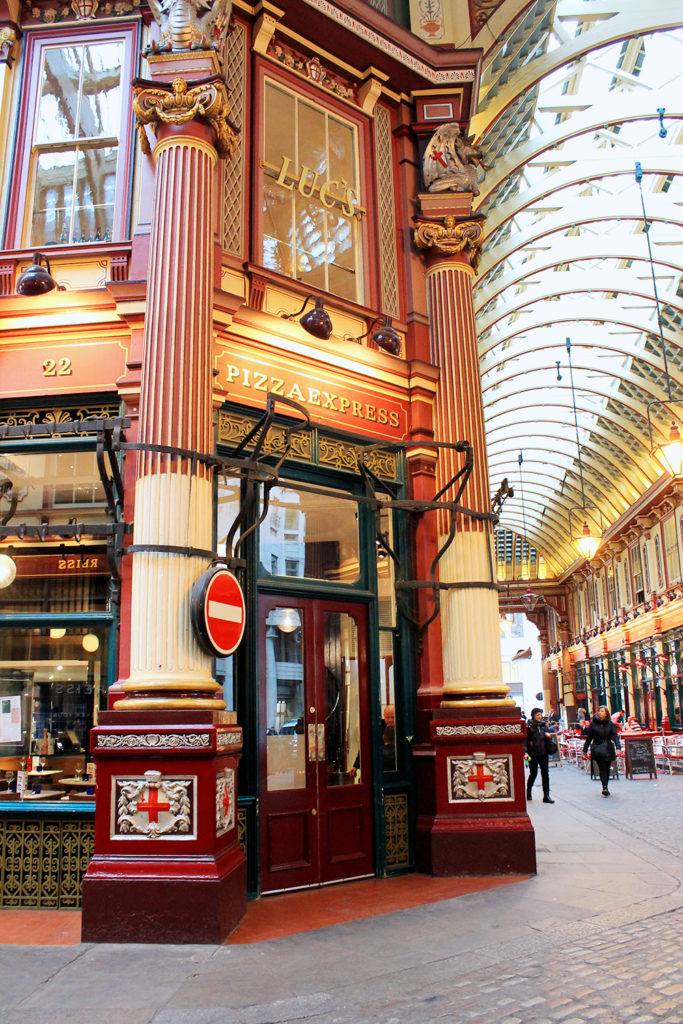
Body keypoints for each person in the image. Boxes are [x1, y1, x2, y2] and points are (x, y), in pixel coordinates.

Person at [583, 705, 621, 797]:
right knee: (602, 767)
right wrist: (585, 748)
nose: (600, 712)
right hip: (598, 747)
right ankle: (604, 787)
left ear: (606, 713)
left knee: (607, 767)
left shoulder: (610, 724)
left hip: (608, 747)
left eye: (602, 711)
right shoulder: (593, 724)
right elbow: (589, 737)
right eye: (599, 711)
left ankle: (605, 785)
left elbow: (615, 736)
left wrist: (618, 748)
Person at [525, 708, 555, 803]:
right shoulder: (529, 727)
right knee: (533, 774)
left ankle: (546, 795)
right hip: (533, 754)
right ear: (533, 715)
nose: (539, 716)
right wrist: (525, 752)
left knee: (545, 774)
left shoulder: (544, 726)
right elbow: (525, 742)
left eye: (540, 715)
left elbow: (547, 738)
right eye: (537, 715)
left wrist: (548, 737)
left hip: (543, 753)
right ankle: (529, 791)